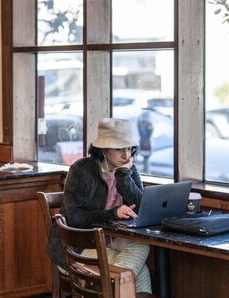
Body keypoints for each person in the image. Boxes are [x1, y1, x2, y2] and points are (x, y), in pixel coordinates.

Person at [46, 118, 153, 293]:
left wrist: (124, 176)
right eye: (119, 149)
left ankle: (111, 288)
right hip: (78, 246)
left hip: (111, 240)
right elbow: (75, 218)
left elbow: (141, 208)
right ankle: (113, 288)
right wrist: (113, 213)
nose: (126, 156)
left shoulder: (128, 168)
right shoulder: (81, 169)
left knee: (142, 246)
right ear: (103, 148)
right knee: (140, 273)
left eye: (130, 149)